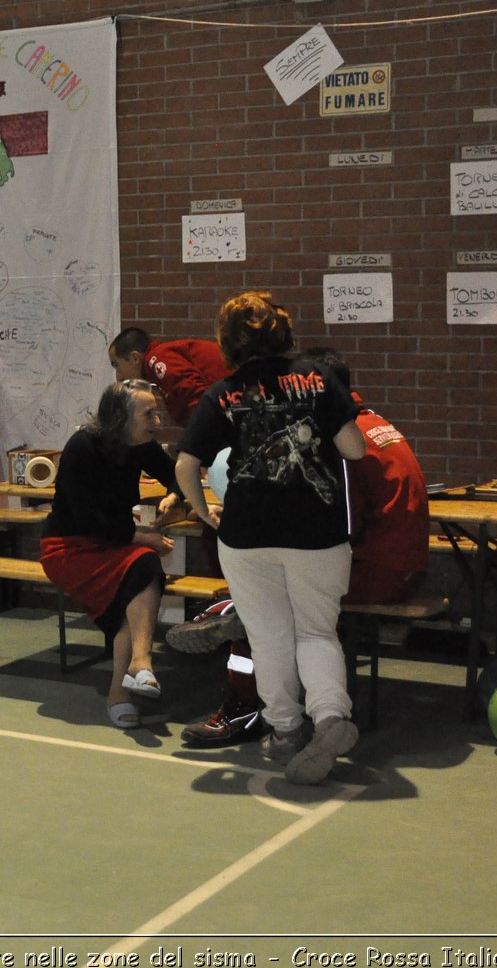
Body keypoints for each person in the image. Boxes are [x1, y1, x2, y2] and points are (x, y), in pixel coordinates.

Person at [178, 347, 430, 748]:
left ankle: (260, 716)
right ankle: (328, 718)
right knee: (308, 627)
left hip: (375, 570)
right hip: (400, 563)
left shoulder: (337, 438)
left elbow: (349, 517)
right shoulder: (372, 424)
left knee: (267, 626)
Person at [176, 291, 366, 785]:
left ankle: (286, 731)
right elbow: (355, 448)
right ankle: (330, 718)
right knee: (317, 632)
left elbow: (185, 463)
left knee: (269, 637)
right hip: (317, 533)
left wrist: (203, 512)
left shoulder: (222, 391)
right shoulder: (318, 379)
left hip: (247, 534)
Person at [40, 380, 187, 728]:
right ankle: (123, 689)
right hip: (69, 547)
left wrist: (173, 496)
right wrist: (141, 536)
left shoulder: (142, 445)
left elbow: (177, 474)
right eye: (148, 413)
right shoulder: (83, 446)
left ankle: (138, 666)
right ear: (120, 417)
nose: (156, 420)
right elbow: (83, 517)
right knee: (142, 569)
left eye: (157, 412)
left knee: (144, 571)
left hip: (115, 544)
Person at [108, 327, 231, 431]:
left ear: (135, 358)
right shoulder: (158, 360)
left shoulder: (157, 359)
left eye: (117, 365)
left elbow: (198, 398)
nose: (118, 377)